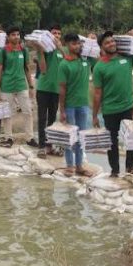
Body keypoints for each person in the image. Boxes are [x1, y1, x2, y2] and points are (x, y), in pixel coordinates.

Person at [92, 29, 133, 178]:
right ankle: (115, 170)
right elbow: (97, 93)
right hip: (110, 109)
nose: (111, 43)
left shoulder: (127, 58)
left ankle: (130, 166)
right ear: (102, 47)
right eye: (107, 42)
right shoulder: (99, 67)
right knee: (112, 142)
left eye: (112, 40)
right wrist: (94, 115)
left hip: (128, 107)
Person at [58, 33, 94, 177]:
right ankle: (69, 166)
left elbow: (99, 52)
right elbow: (62, 89)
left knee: (81, 137)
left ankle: (79, 166)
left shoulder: (86, 61)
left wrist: (91, 41)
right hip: (70, 106)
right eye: (73, 44)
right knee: (70, 137)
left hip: (84, 105)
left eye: (79, 43)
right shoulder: (64, 64)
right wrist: (62, 111)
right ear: (66, 45)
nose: (77, 46)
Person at [0, 26, 34, 144]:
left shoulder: (23, 50)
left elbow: (27, 69)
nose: (16, 37)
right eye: (13, 35)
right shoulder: (3, 51)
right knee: (8, 113)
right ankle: (8, 137)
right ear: (8, 37)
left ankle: (30, 137)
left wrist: (31, 86)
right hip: (7, 86)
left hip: (22, 85)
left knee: (28, 111)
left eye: (17, 34)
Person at [30, 24, 65, 158]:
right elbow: (43, 69)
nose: (56, 36)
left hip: (57, 90)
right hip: (44, 88)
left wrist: (60, 47)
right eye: (54, 33)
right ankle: (41, 147)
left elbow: (68, 60)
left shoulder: (63, 50)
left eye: (58, 33)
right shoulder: (44, 50)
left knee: (52, 118)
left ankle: (49, 144)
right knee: (42, 117)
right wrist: (40, 51)